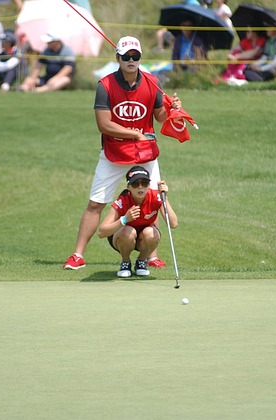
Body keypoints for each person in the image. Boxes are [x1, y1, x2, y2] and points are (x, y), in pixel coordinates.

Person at [63, 36, 183, 270]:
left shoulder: (153, 82)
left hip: (145, 152)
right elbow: (104, 124)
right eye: (126, 56)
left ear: (140, 58)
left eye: (135, 56)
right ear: (117, 58)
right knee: (96, 203)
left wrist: (172, 109)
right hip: (114, 152)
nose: (131, 60)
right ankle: (77, 255)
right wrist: (133, 134)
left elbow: (159, 116)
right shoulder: (105, 85)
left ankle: (151, 256)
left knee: (152, 199)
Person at [98, 166, 178, 278]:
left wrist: (164, 198)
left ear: (149, 185)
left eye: (144, 183)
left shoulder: (155, 197)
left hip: (143, 238)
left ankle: (141, 262)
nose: (140, 187)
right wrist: (124, 219)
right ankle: (125, 262)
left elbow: (173, 224)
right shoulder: (123, 200)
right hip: (122, 237)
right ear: (128, 187)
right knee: (128, 231)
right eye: (135, 184)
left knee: (151, 233)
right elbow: (101, 232)